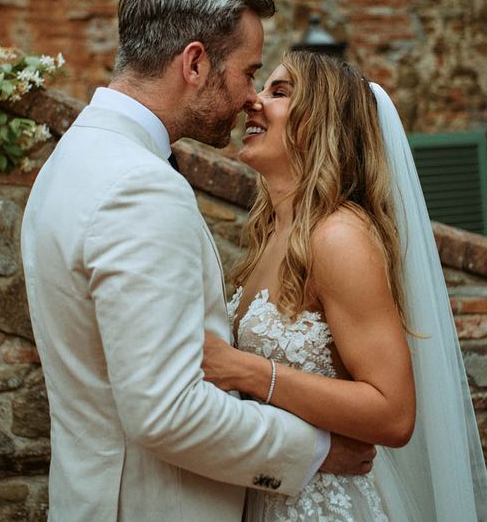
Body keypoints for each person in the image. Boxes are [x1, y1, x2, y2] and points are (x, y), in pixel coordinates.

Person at [21, 0, 373, 522]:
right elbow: (167, 412)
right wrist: (318, 451)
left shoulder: (74, 159)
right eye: (248, 73)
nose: (250, 97)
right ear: (194, 62)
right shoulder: (137, 185)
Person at [202, 50, 487, 520]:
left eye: (280, 92)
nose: (253, 101)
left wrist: (244, 370)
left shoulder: (339, 237)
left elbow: (393, 414)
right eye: (262, 86)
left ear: (323, 121)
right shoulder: (271, 235)